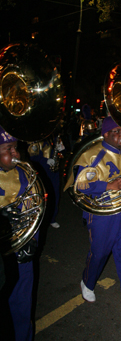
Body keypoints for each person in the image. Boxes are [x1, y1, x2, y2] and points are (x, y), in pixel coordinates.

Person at [65, 116, 121, 311]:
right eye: (117, 132)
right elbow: (79, 185)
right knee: (100, 253)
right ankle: (87, 282)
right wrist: (108, 185)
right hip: (101, 215)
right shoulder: (92, 154)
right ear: (106, 134)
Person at [0, 126, 38, 341]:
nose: (15, 153)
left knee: (23, 302)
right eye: (8, 148)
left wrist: (30, 239)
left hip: (22, 248)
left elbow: (35, 208)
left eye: (16, 147)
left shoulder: (25, 172)